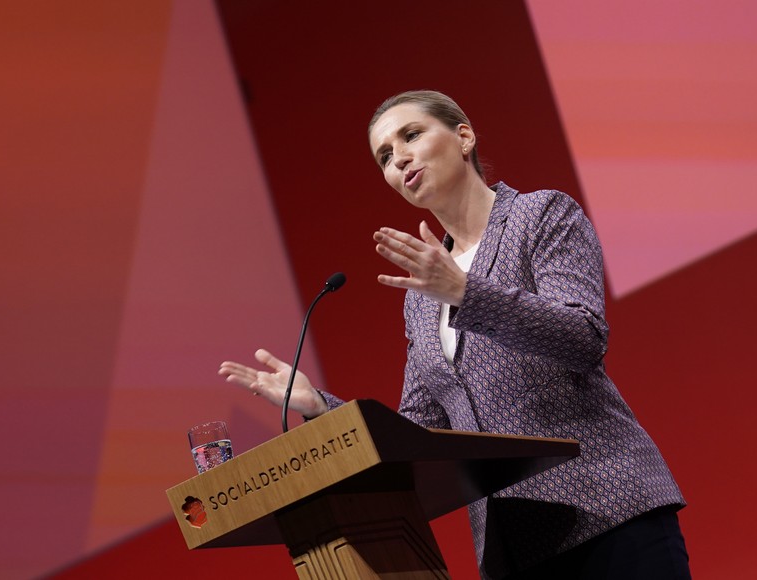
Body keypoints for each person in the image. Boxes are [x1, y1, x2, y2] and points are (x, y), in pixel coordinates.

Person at [219, 90, 691, 579]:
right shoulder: (421, 298)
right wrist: (320, 406)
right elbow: (417, 432)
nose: (398, 157)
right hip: (516, 551)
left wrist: (466, 292)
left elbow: (582, 336)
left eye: (412, 135)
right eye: (384, 156)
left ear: (463, 136)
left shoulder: (541, 216)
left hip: (608, 510)